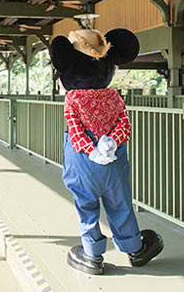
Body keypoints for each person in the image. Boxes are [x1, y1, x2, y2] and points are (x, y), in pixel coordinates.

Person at [49, 28, 163, 275]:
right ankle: (135, 248)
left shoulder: (73, 99)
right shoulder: (113, 96)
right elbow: (124, 124)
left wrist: (91, 152)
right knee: (120, 203)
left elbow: (76, 131)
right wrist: (110, 142)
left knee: (87, 206)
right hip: (114, 164)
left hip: (83, 165)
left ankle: (92, 256)